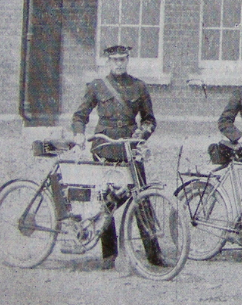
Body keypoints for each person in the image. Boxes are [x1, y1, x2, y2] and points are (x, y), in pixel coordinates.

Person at [70, 45, 161, 268]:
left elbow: (149, 119)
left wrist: (142, 133)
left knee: (142, 199)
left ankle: (154, 255)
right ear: (108, 62)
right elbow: (80, 115)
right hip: (105, 149)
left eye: (122, 59)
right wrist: (79, 134)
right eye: (114, 60)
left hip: (130, 149)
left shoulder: (139, 86)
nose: (119, 63)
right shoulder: (97, 86)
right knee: (105, 201)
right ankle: (108, 255)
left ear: (128, 60)